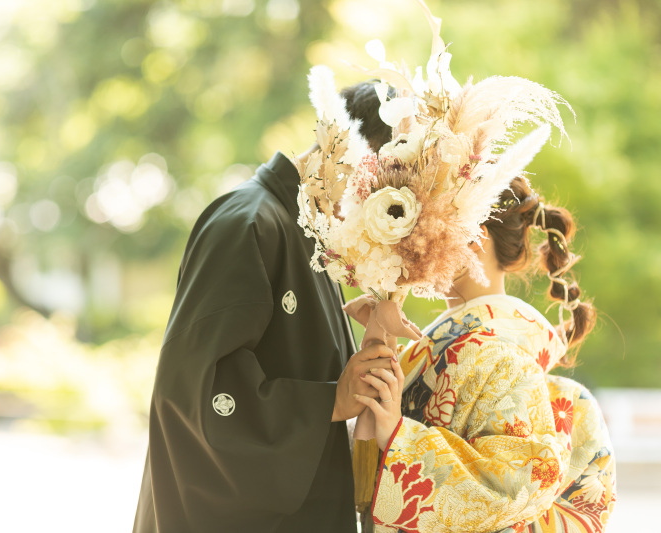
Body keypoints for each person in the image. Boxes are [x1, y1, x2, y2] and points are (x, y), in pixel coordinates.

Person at [132, 83, 398, 533]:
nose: (384, 208)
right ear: (350, 147)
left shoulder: (310, 238)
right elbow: (195, 396)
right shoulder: (248, 222)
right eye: (390, 186)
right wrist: (331, 399)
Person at [353, 177, 617, 532]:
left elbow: (510, 486)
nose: (414, 242)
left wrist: (400, 439)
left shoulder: (499, 353)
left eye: (432, 227)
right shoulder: (451, 345)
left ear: (477, 238)